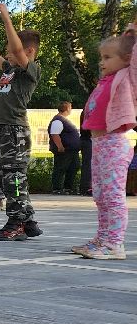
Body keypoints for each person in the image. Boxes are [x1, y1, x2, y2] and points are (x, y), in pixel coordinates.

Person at [0, 5, 43, 241]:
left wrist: (6, 20)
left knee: (12, 177)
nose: (8, 54)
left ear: (29, 51)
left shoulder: (30, 71)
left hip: (14, 130)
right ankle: (29, 220)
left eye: (12, 51)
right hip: (1, 130)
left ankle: (17, 223)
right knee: (9, 176)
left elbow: (16, 49)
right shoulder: (9, 70)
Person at [72, 25, 137, 259]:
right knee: (99, 194)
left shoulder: (127, 78)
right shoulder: (107, 79)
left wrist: (133, 35)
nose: (102, 62)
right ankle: (102, 239)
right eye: (101, 57)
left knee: (113, 195)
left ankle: (115, 244)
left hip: (114, 143)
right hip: (100, 145)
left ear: (127, 59)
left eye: (108, 57)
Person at [47, 101, 81, 194]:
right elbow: (55, 134)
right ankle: (57, 188)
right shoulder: (58, 120)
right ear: (67, 109)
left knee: (73, 167)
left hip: (72, 150)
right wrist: (60, 146)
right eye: (70, 108)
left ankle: (68, 188)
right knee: (60, 168)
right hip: (64, 150)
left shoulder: (64, 119)